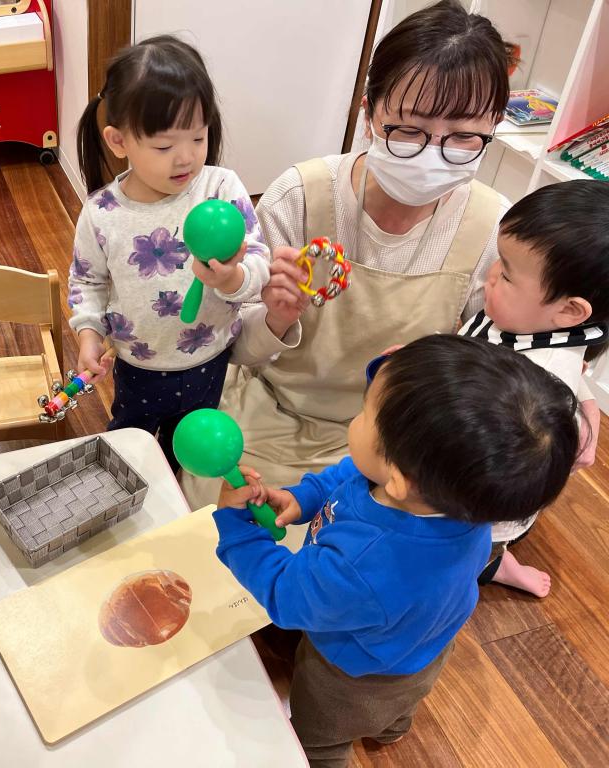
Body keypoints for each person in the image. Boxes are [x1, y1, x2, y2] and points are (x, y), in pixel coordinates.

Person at [181, 0, 522, 521]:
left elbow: (498, 366)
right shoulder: (301, 196)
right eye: (408, 129)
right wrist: (275, 318)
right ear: (369, 112)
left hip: (402, 441)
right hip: (276, 413)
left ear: (493, 126)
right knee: (228, 529)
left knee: (373, 561)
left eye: (463, 136)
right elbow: (238, 352)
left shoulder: (492, 230)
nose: (433, 154)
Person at [214, 335, 579, 767]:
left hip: (351, 676)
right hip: (424, 644)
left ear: (399, 478)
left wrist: (236, 526)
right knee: (400, 699)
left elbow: (285, 593)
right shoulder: (460, 500)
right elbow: (353, 475)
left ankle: (337, 745)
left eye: (365, 413)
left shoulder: (362, 565)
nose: (356, 416)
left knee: (320, 738)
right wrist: (305, 497)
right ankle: (392, 726)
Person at [68, 35, 269, 471]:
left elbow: (258, 261)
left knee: (190, 453)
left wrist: (232, 279)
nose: (186, 158)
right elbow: (87, 281)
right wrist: (88, 334)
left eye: (198, 137)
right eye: (164, 146)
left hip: (210, 359)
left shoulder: (221, 189)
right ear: (119, 141)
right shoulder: (103, 213)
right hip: (138, 365)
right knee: (130, 454)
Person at [460, 180, 609, 597]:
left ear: (568, 310)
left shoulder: (538, 378)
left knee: (477, 545)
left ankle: (500, 566)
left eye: (506, 275)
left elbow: (498, 453)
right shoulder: (529, 322)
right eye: (497, 262)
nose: (491, 276)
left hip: (491, 484)